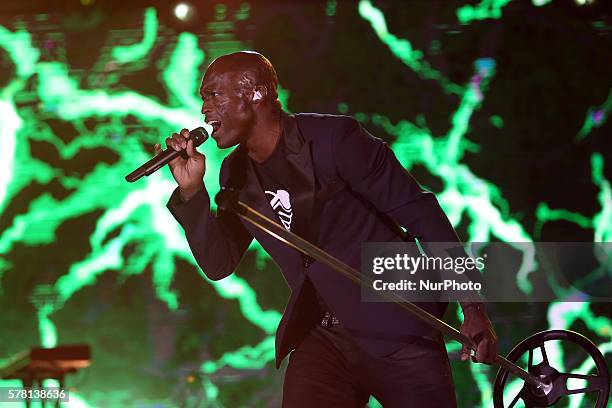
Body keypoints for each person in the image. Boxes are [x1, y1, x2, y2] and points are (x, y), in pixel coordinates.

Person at [156, 51, 498, 407]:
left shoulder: (335, 140)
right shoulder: (235, 173)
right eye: (203, 99)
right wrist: (192, 191)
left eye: (213, 95)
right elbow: (218, 263)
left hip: (396, 325)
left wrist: (473, 307)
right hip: (322, 338)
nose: (204, 110)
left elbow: (423, 215)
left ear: (256, 93)